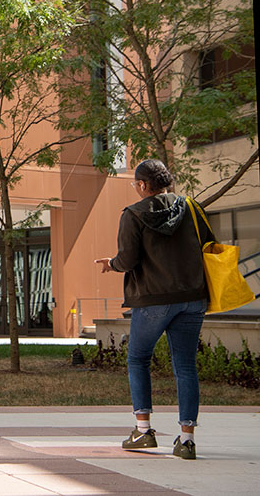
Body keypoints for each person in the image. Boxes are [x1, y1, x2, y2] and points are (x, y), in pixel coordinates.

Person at [94, 159, 209, 460]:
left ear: (143, 185)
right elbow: (208, 245)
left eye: (135, 184)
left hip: (153, 299)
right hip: (193, 296)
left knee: (138, 359)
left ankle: (143, 431)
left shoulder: (132, 214)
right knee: (185, 365)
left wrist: (111, 265)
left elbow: (128, 260)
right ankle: (186, 440)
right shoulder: (191, 208)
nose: (135, 188)